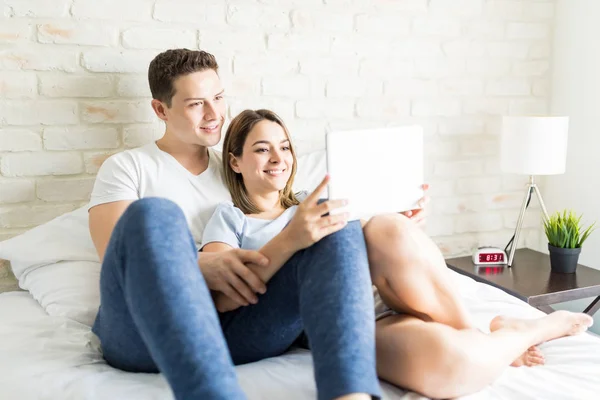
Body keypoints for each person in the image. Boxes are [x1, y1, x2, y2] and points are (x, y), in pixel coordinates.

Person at [207, 107, 595, 399]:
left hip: (381, 286)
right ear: (235, 161)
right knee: (454, 366)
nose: (278, 158)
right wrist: (293, 236)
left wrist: (404, 218)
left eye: (285, 147)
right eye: (262, 149)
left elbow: (371, 243)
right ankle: (530, 330)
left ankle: (478, 331)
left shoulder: (314, 202)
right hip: (340, 323)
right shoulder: (230, 218)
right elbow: (223, 297)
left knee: (388, 226)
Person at [88, 48, 387, 400]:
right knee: (155, 214)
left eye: (217, 98)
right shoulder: (129, 167)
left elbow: (291, 232)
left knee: (332, 216)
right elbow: (118, 261)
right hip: (140, 333)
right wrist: (199, 264)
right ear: (160, 109)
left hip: (237, 321)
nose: (215, 114)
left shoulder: (244, 165)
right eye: (196, 103)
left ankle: (349, 395)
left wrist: (391, 224)